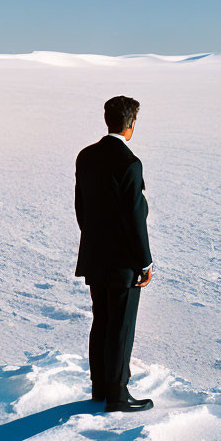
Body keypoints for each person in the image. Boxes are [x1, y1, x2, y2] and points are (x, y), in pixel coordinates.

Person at [74, 95, 154, 412]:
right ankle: (118, 395)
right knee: (120, 326)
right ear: (131, 124)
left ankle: (100, 388)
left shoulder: (86, 156)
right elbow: (135, 217)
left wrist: (93, 240)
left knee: (102, 321)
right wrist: (144, 261)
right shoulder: (129, 163)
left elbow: (81, 208)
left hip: (94, 254)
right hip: (123, 262)